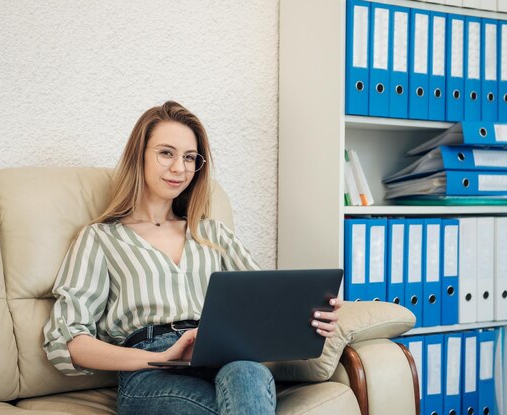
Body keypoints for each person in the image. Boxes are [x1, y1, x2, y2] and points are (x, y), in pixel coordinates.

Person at [42, 100, 342, 415]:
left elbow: (265, 307)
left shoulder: (215, 234)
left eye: (189, 157)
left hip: (223, 358)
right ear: (139, 155)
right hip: (151, 369)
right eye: (166, 153)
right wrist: (162, 356)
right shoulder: (101, 238)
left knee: (247, 372)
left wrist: (313, 317)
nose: (179, 168)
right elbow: (69, 340)